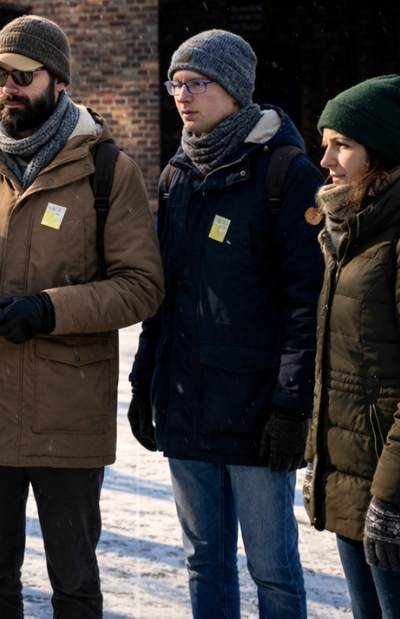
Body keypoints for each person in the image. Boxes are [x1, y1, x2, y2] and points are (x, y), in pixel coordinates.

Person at [0, 15, 164, 619]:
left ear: (57, 81)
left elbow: (140, 287)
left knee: (74, 585)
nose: (7, 87)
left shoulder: (108, 171)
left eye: (21, 76)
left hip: (67, 414)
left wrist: (47, 310)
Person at [129, 30, 325, 619]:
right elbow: (165, 294)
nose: (183, 96)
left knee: (273, 571)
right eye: (176, 84)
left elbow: (306, 302)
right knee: (203, 562)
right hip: (187, 402)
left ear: (235, 89)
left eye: (198, 83)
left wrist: (292, 408)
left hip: (257, 409)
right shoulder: (177, 175)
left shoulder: (286, 173)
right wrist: (146, 383)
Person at [303, 75, 400, 619]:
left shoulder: (392, 239)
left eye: (342, 144)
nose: (326, 159)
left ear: (380, 151)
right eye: (325, 142)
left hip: (389, 488)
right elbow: (340, 367)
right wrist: (320, 458)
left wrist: (390, 497)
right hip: (351, 479)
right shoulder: (350, 233)